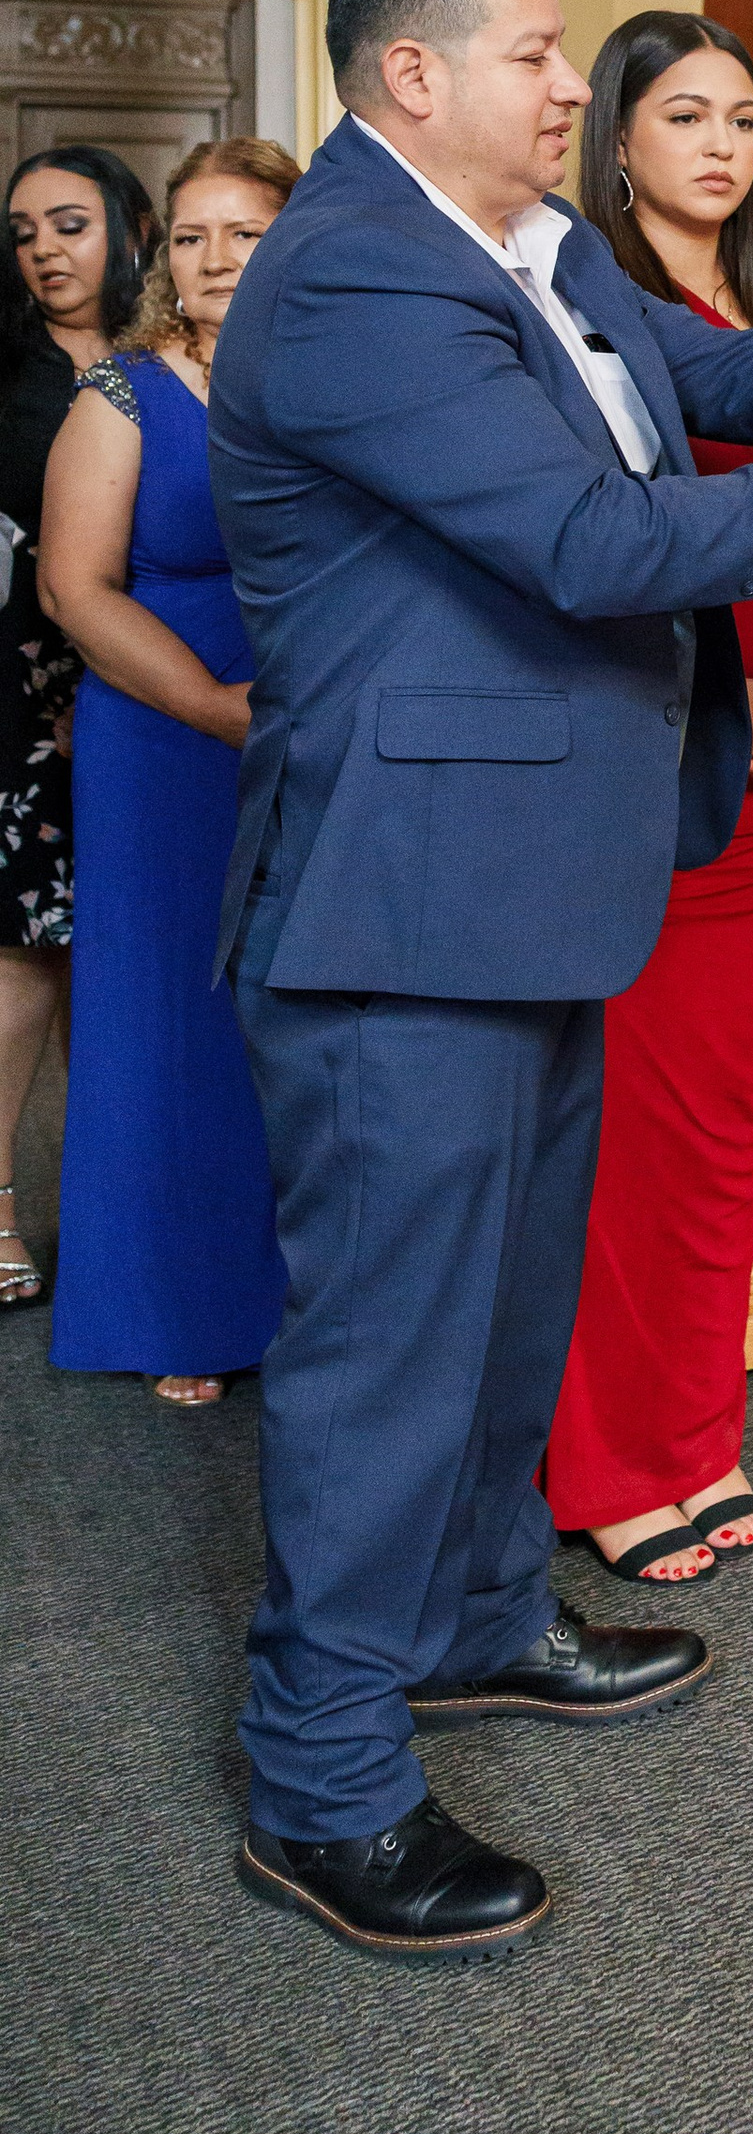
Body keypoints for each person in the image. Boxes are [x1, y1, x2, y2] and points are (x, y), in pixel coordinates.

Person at [210, 0, 753, 1965]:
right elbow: (586, 541)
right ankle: (320, 1781)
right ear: (413, 74)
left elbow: (712, 377)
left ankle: (478, 1618)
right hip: (403, 898)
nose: (569, 83)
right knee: (386, 1350)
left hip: (535, 875)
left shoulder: (542, 247)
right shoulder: (352, 275)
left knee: (507, 1307)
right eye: (535, 51)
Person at [544, 13, 753, 1586]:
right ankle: (607, 1459)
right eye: (685, 115)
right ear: (618, 137)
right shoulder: (588, 305)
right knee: (629, 1128)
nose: (722, 144)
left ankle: (693, 1427)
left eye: (740, 117)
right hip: (656, 736)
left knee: (731, 1122)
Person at [40, 141, 300, 1405]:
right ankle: (178, 1306)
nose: (214, 259)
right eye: (191, 236)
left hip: (311, 718)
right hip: (163, 730)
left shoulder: (332, 376)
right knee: (169, 1011)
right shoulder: (124, 392)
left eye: (244, 233)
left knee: (292, 1010)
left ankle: (296, 1291)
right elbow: (72, 588)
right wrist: (210, 707)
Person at [0, 148, 158, 1311]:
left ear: (129, 227)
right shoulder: (9, 369)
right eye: (23, 234)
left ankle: (119, 1220)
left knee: (126, 958)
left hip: (155, 676)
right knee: (23, 954)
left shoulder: (177, 357)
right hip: (23, 686)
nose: (45, 251)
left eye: (69, 223)